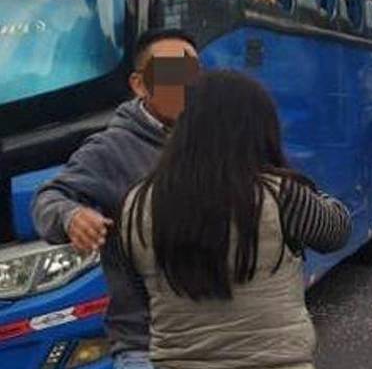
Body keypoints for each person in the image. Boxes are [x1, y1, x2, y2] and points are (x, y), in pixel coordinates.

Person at [121, 70, 350, 369]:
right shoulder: (282, 195)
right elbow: (337, 232)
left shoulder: (137, 203)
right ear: (260, 130)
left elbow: (141, 290)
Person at [32, 28, 200, 369]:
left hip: (216, 337)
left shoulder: (214, 137)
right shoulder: (111, 149)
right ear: (140, 85)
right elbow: (48, 197)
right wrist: (70, 216)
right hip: (146, 344)